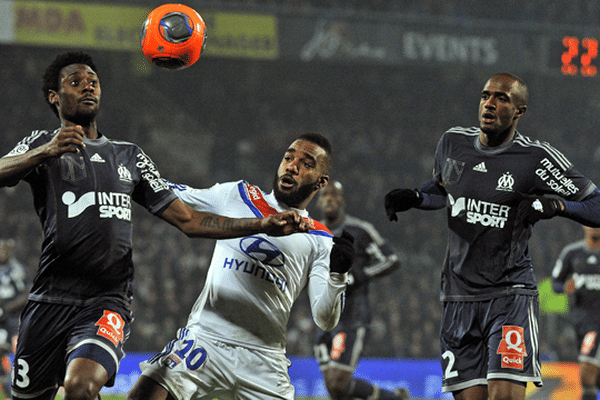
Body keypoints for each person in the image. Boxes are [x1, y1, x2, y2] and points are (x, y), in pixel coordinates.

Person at [0, 51, 308, 400]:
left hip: (105, 301)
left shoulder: (129, 156)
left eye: (93, 81)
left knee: (80, 387)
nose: (88, 86)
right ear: (55, 97)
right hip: (48, 301)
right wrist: (44, 152)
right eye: (76, 81)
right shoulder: (42, 143)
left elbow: (189, 220)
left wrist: (262, 223)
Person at [383, 72, 600, 400]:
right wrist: (415, 197)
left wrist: (555, 205)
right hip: (457, 298)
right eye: (486, 95)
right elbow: (444, 190)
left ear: (519, 112)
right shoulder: (452, 143)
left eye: (502, 98)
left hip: (509, 296)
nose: (490, 103)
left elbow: (596, 204)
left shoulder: (536, 159)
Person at [125, 132, 356, 400]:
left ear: (321, 181)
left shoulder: (319, 239)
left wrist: (338, 274)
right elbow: (169, 194)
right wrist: (120, 174)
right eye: (288, 157)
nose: (292, 165)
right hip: (206, 339)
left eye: (306, 163)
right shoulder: (237, 195)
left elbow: (325, 319)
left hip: (265, 360)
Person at [313, 180, 408, 400]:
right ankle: (394, 398)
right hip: (323, 318)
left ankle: (393, 399)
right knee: (334, 389)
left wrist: (358, 276)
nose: (329, 199)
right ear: (318, 202)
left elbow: (391, 259)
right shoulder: (313, 234)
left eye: (334, 195)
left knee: (338, 382)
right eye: (325, 195)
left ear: (342, 201)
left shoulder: (360, 230)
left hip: (352, 317)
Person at [551, 226, 600, 400]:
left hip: (596, 325)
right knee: (593, 379)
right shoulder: (572, 253)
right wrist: (565, 287)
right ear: (584, 225)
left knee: (587, 374)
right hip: (583, 322)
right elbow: (555, 283)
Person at [0, 239, 30, 395]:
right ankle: (9, 392)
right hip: (1, 321)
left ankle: (28, 387)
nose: (2, 253)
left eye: (4, 250)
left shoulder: (16, 269)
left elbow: (26, 294)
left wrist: (6, 307)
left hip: (15, 319)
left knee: (20, 353)